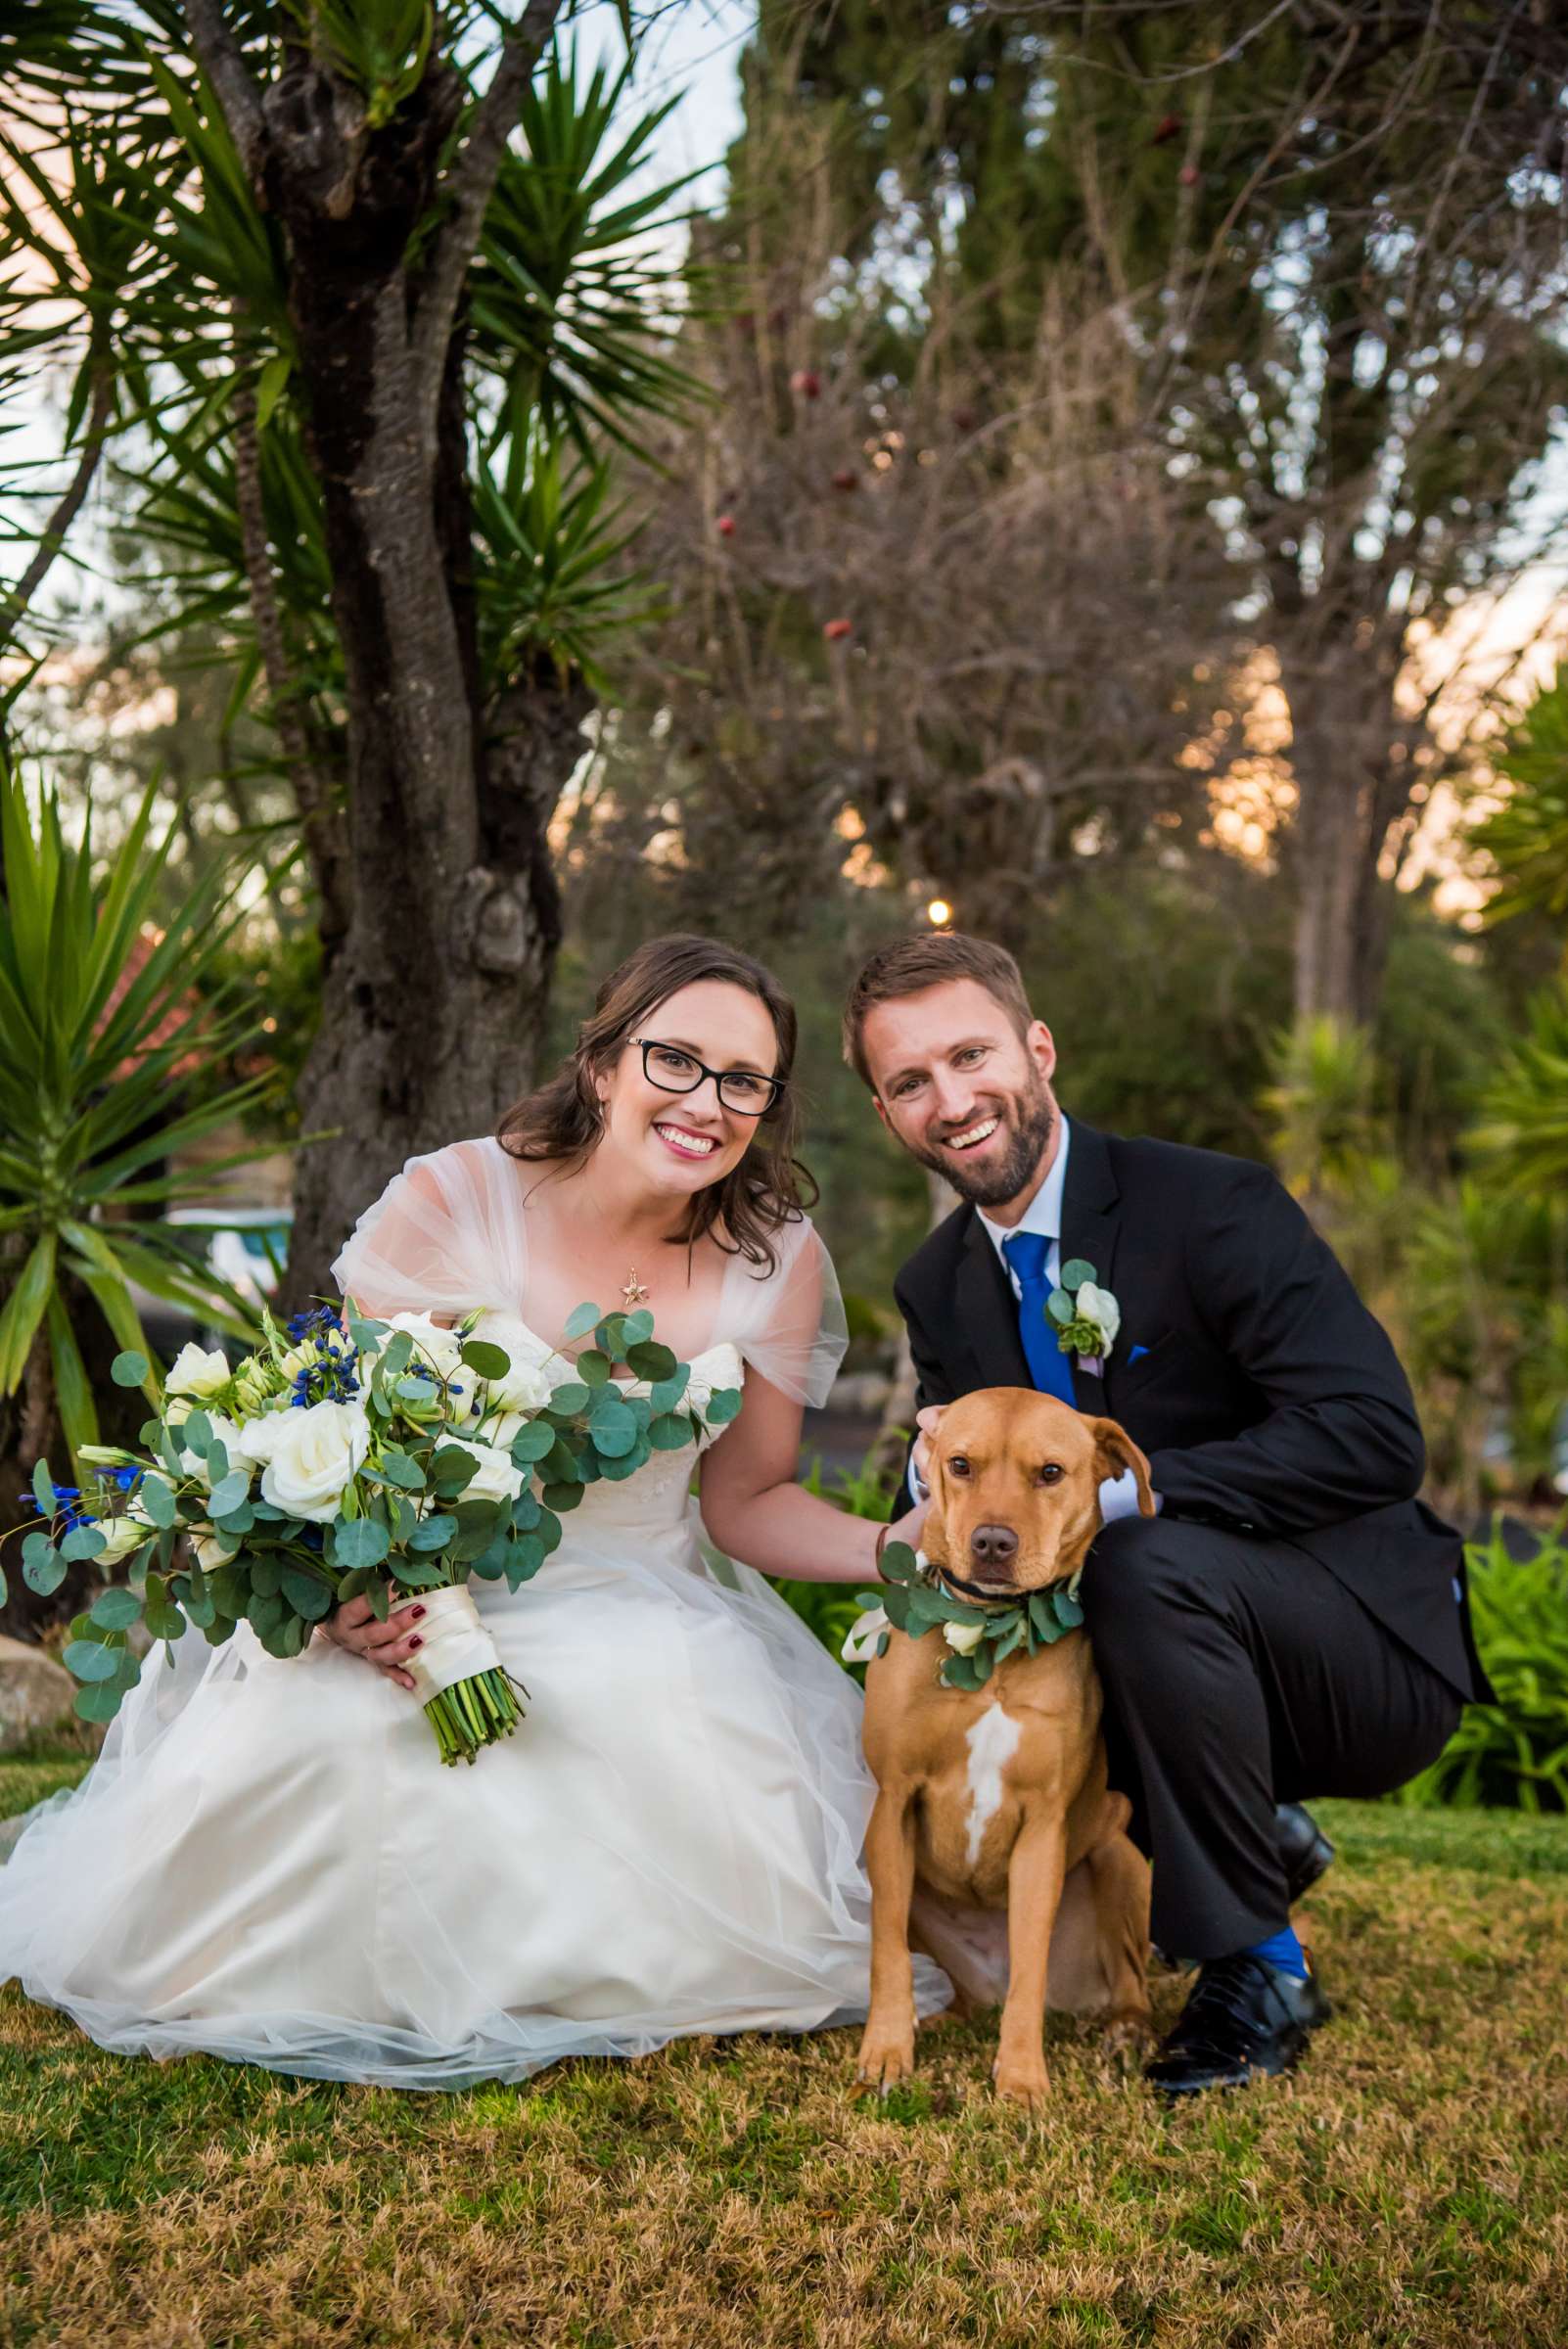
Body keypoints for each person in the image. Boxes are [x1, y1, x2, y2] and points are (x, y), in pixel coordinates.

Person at [0, 936, 947, 2088]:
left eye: (743, 1081)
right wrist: (347, 1593)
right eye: (676, 1061)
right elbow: (332, 1432)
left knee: (637, 1692)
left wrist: (904, 1549)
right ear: (602, 1065)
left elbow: (748, 1502)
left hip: (650, 1600)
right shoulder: (458, 1196)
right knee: (347, 1735)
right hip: (426, 1589)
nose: (708, 1103)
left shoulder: (776, 1258)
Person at [844, 931, 1491, 2098]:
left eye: (971, 1055)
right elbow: (961, 1464)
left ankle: (1263, 1966)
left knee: (1129, 1557)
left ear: (1038, 1049)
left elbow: (1375, 1435)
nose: (951, 1099)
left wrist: (1125, 1489)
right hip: (1169, 1670)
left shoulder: (1212, 1204)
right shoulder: (936, 1286)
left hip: (1361, 1648)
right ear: (889, 1114)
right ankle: (1242, 1838)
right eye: (909, 1083)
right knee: (1075, 1592)